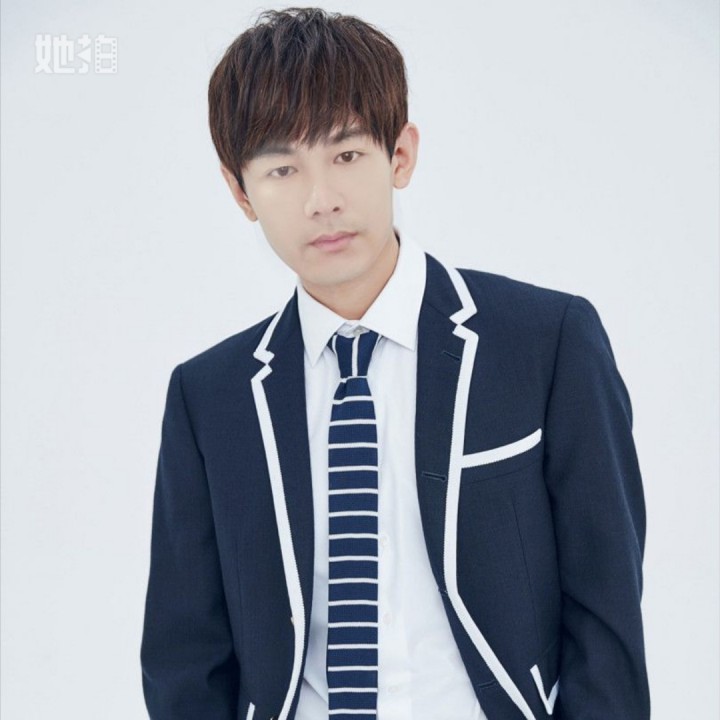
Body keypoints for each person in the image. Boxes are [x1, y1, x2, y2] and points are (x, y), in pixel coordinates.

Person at [140, 7, 650, 720]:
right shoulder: (209, 396)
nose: (321, 201)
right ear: (240, 190)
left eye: (347, 155)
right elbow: (184, 654)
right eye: (282, 168)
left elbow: (607, 613)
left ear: (401, 155)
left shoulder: (546, 343)